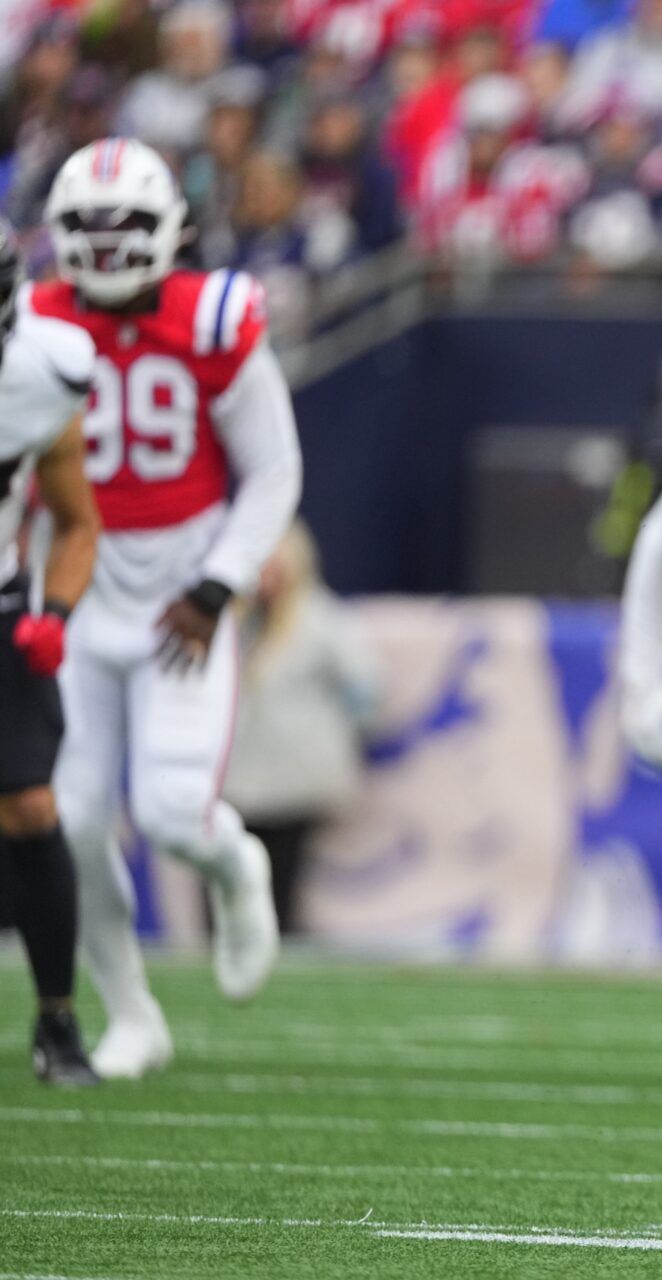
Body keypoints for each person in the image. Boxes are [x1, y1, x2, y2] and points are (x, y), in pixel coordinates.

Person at [31, 137, 304, 1082]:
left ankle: (236, 868)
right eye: (88, 229)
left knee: (174, 816)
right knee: (68, 821)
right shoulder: (30, 323)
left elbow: (273, 467)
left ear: (169, 229)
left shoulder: (212, 317)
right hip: (75, 591)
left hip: (179, 592)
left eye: (126, 226)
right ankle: (132, 1014)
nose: (107, 247)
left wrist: (217, 583)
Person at [0, 219, 103, 1085]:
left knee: (30, 805)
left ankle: (57, 1020)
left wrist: (57, 611)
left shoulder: (41, 372)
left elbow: (76, 521)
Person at [222, 522, 381, 934]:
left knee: (281, 877)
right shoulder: (234, 621)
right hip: (240, 777)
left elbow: (367, 690)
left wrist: (327, 734)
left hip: (294, 779)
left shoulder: (320, 621)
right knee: (231, 872)